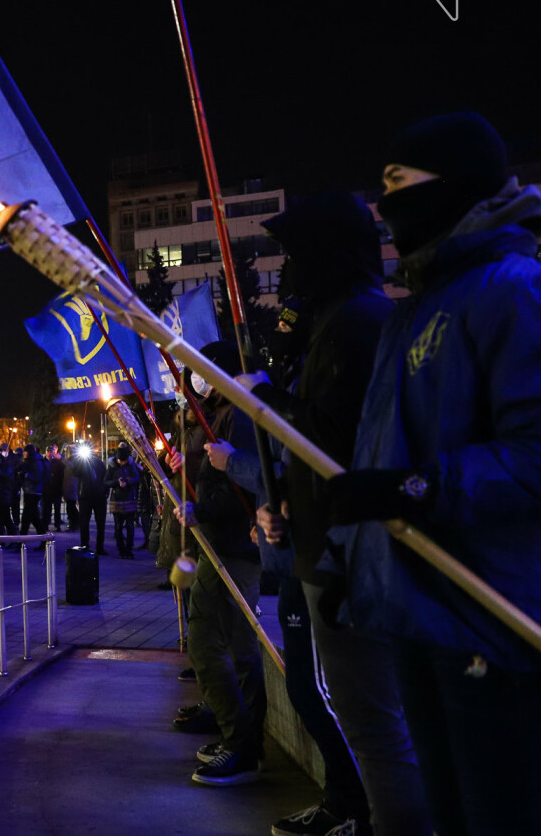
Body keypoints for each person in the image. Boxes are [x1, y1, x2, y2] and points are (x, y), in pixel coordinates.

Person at [323, 112, 541, 836]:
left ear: (456, 188)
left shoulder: (522, 294)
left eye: (399, 186)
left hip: (493, 611)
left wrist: (418, 487)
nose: (385, 209)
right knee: (450, 814)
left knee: (497, 818)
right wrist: (347, 561)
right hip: (423, 610)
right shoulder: (413, 313)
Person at [237, 192, 397, 836]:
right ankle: (347, 807)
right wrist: (283, 509)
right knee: (335, 702)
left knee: (374, 726)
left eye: (295, 254)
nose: (286, 269)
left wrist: (268, 401)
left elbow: (339, 438)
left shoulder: (357, 324)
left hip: (350, 559)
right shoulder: (333, 324)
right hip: (319, 548)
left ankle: (366, 814)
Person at [173, 340, 265, 787]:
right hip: (218, 545)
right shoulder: (215, 412)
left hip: (235, 549)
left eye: (202, 368)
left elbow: (244, 485)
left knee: (225, 646)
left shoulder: (238, 414)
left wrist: (203, 510)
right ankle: (239, 738)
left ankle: (243, 745)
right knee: (218, 644)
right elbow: (207, 475)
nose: (196, 377)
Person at [104, 447, 140, 558]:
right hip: (117, 501)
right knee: (118, 527)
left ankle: (129, 550)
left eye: (123, 460)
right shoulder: (112, 466)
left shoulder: (131, 465)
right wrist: (116, 482)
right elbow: (105, 482)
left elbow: (136, 478)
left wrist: (128, 481)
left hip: (129, 499)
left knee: (130, 527)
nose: (121, 462)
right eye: (120, 460)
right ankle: (121, 550)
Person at [71, 445, 107, 553]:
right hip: (85, 496)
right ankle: (85, 545)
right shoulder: (81, 463)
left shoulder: (99, 463)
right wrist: (79, 460)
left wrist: (105, 491)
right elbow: (75, 472)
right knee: (84, 522)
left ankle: (99, 547)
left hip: (99, 497)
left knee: (100, 523)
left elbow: (105, 477)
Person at [15, 445, 47, 536]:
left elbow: (38, 478)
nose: (24, 454)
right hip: (29, 491)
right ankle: (43, 538)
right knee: (33, 517)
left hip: (34, 492)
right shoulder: (29, 461)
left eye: (26, 452)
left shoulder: (37, 462)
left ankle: (22, 540)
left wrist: (26, 474)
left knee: (27, 517)